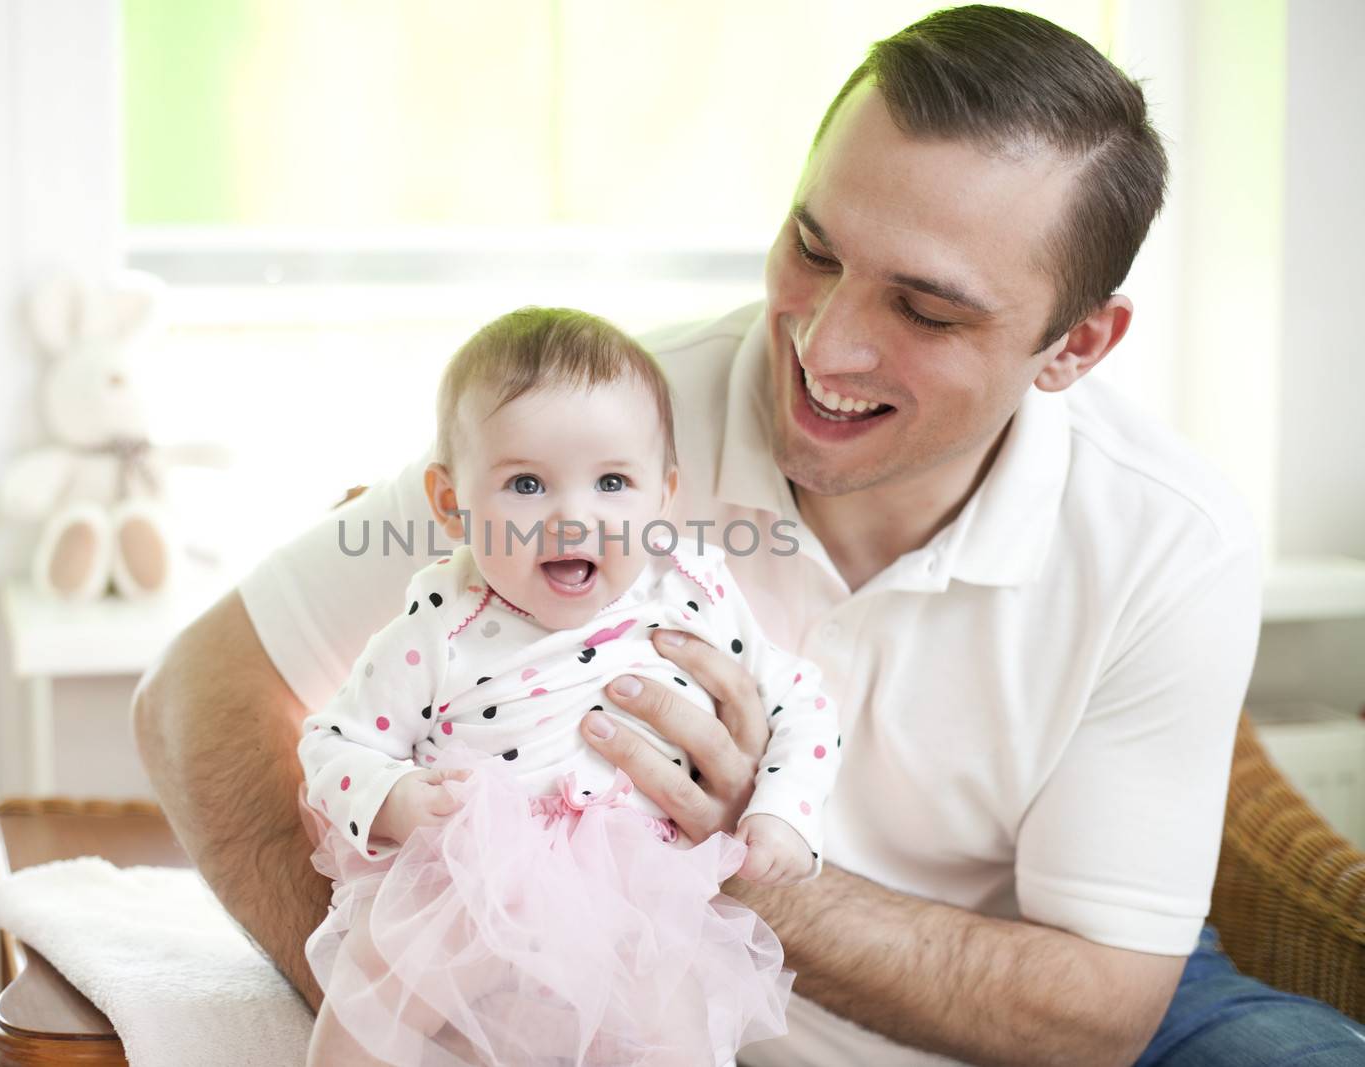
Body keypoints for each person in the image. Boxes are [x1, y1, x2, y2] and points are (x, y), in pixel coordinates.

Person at [134, 6, 1365, 1064]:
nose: (821, 346)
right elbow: (197, 692)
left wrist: (732, 857)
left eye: (925, 310)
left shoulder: (1166, 538)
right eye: (812, 248)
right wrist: (425, 998)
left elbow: (1100, 1008)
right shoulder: (591, 435)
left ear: (1076, 345)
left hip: (1042, 1010)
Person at [297, 306, 841, 1065]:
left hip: (637, 901)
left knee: (678, 1036)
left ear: (663, 496)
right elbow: (331, 741)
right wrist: (392, 797)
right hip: (465, 886)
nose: (572, 516)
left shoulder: (688, 594)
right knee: (371, 1001)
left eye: (613, 481)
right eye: (526, 483)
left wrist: (785, 814)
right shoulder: (442, 625)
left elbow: (804, 703)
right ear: (452, 502)